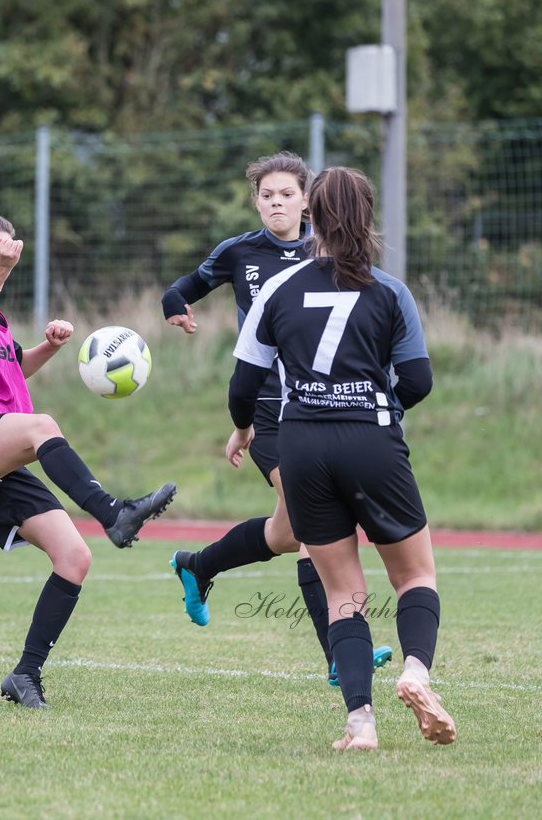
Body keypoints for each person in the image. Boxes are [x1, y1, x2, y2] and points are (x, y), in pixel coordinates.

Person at [227, 166, 453, 750]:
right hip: (371, 439)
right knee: (415, 576)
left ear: (312, 216)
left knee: (342, 595)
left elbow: (243, 384)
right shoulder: (389, 290)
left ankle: (361, 724)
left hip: (301, 443)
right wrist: (383, 408)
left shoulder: (280, 288)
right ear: (367, 216)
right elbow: (420, 380)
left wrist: (243, 427)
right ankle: (415, 671)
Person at [0, 207, 176, 709]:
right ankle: (114, 513)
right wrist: (4, 269)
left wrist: (50, 347)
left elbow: (12, 371)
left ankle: (25, 675)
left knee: (74, 558)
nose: (7, 254)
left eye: (10, 249)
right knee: (42, 427)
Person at [161, 152, 391, 685]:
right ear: (256, 201)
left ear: (307, 201)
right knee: (315, 529)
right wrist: (176, 307)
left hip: (318, 403)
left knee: (288, 533)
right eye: (267, 195)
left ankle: (198, 566)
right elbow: (180, 288)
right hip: (267, 407)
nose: (276, 203)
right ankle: (340, 654)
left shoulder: (326, 254)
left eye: (287, 194)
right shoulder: (240, 252)